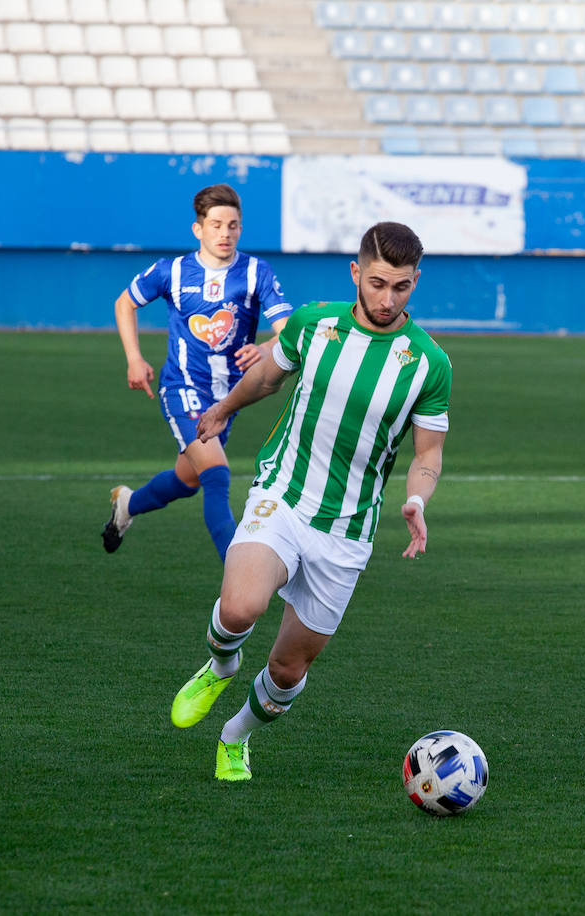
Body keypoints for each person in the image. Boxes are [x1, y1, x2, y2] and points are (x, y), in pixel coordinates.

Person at [168, 221, 452, 781]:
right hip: (284, 494)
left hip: (347, 529)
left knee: (288, 668)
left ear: (415, 282)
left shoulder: (429, 364)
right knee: (240, 608)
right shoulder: (314, 324)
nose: (386, 298)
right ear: (355, 273)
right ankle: (220, 665)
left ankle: (234, 737)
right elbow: (268, 380)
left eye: (400, 286)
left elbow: (428, 454)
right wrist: (225, 408)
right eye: (376, 283)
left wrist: (417, 500)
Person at [103, 183, 292, 562]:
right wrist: (134, 359)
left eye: (233, 225)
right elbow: (125, 303)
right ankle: (238, 568)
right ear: (198, 229)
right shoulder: (172, 271)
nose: (225, 233)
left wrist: (265, 347)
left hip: (230, 396)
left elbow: (288, 332)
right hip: (183, 388)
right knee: (217, 476)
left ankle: (127, 504)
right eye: (217, 224)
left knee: (186, 480)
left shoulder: (256, 272)